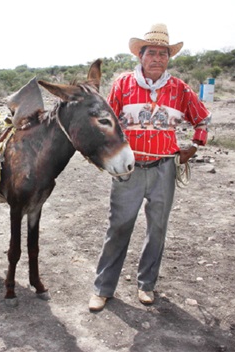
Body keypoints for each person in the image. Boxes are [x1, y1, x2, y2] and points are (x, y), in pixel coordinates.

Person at [89, 23, 211, 312]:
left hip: (164, 169)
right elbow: (106, 122)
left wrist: (194, 146)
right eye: (152, 53)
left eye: (163, 54)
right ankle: (102, 288)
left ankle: (146, 285)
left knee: (157, 228)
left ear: (168, 58)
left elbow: (202, 120)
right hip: (128, 171)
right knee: (118, 227)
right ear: (140, 56)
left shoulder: (180, 89)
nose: (158, 58)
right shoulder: (122, 84)